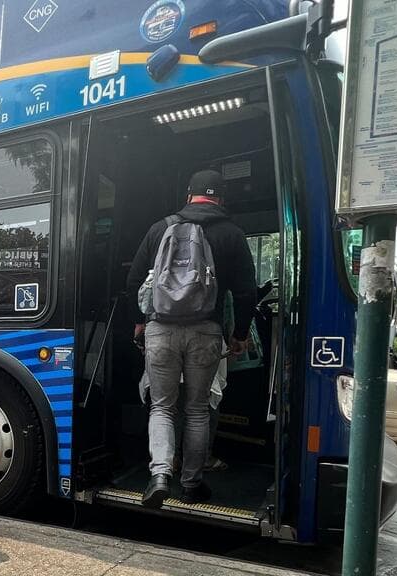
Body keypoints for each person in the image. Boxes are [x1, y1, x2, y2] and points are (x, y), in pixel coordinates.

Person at [126, 170, 257, 507]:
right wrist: (240, 334)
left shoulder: (160, 228)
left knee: (162, 407)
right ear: (221, 199)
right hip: (206, 330)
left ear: (188, 196)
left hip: (160, 329)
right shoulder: (232, 233)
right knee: (198, 409)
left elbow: (133, 280)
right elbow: (246, 292)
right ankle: (192, 483)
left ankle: (159, 475)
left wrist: (140, 323)